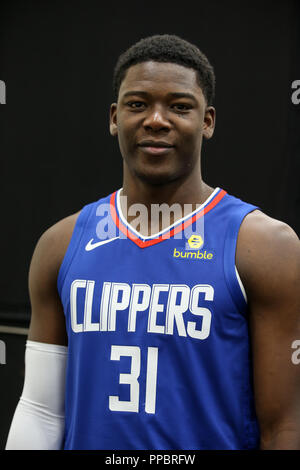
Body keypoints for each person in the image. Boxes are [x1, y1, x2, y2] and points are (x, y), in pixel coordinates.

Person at [5, 34, 300, 450]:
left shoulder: (265, 246)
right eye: (137, 104)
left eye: (179, 106)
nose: (156, 119)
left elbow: (285, 426)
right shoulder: (61, 243)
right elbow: (40, 410)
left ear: (208, 121)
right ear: (113, 117)